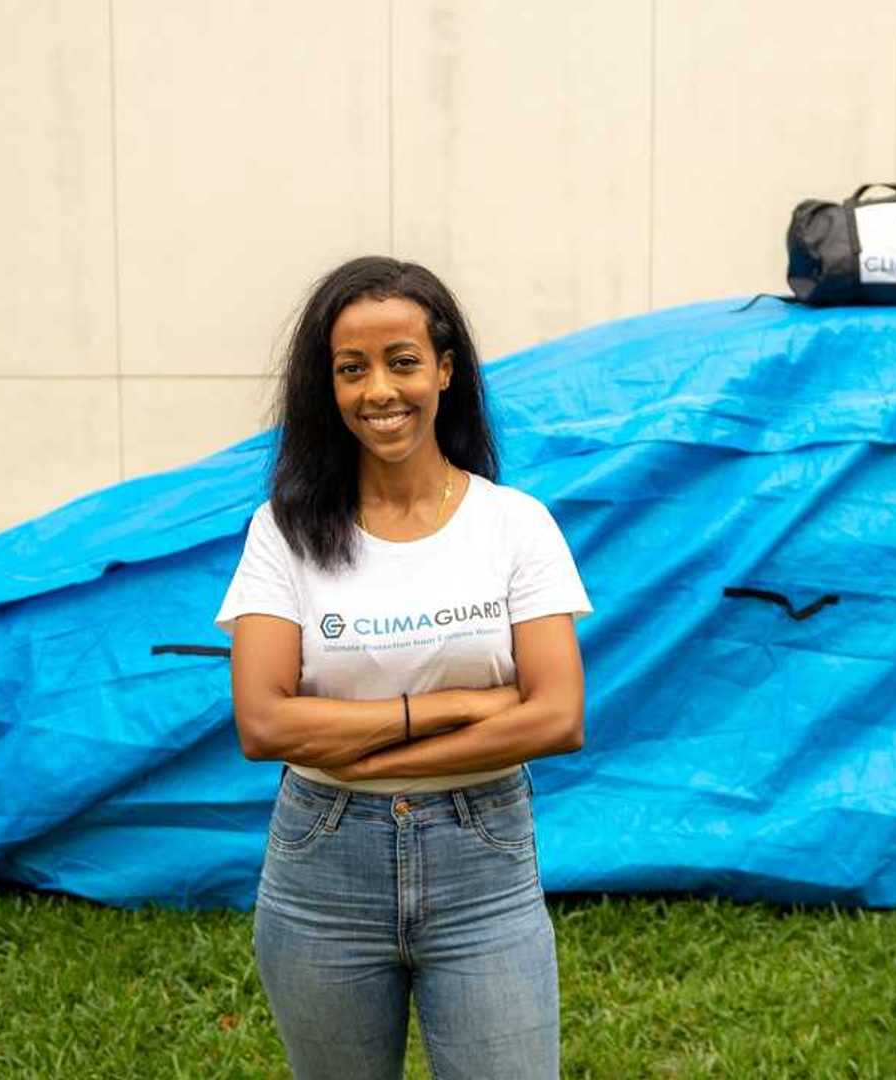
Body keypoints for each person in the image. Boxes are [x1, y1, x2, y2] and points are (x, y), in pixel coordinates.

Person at [214, 256, 589, 1079]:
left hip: (482, 858)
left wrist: (365, 755)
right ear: (330, 386)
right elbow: (265, 722)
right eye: (353, 370)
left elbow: (557, 716)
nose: (379, 389)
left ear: (445, 371)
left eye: (403, 361)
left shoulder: (513, 526)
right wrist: (455, 708)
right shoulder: (284, 531)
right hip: (322, 864)